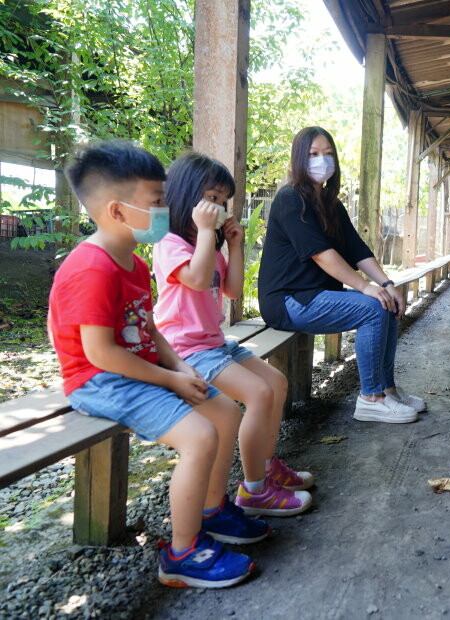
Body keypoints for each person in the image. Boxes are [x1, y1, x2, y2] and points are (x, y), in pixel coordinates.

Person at [49, 141, 269, 589]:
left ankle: (211, 509)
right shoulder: (92, 267)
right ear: (117, 210)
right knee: (200, 434)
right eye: (157, 202)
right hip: (100, 381)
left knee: (225, 412)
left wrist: (179, 369)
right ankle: (182, 552)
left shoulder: (129, 260)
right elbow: (101, 354)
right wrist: (170, 376)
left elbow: (149, 329)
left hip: (140, 366)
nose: (167, 210)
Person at [152, 153, 313, 517]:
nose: (220, 207)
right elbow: (194, 279)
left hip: (213, 343)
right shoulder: (169, 243)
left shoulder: (207, 242)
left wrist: (236, 245)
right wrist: (208, 233)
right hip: (184, 349)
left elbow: (234, 291)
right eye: (212, 198)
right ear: (186, 196)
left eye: (223, 201)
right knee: (257, 394)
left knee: (276, 382)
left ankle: (267, 467)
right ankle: (254, 490)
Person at [258, 126, 426, 424]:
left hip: (317, 296)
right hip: (288, 300)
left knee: (384, 301)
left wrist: (386, 284)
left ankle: (386, 390)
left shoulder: (330, 203)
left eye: (327, 154)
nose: (321, 160)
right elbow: (321, 254)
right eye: (313, 154)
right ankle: (370, 399)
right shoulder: (290, 199)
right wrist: (364, 287)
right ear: (299, 158)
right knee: (374, 308)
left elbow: (357, 249)